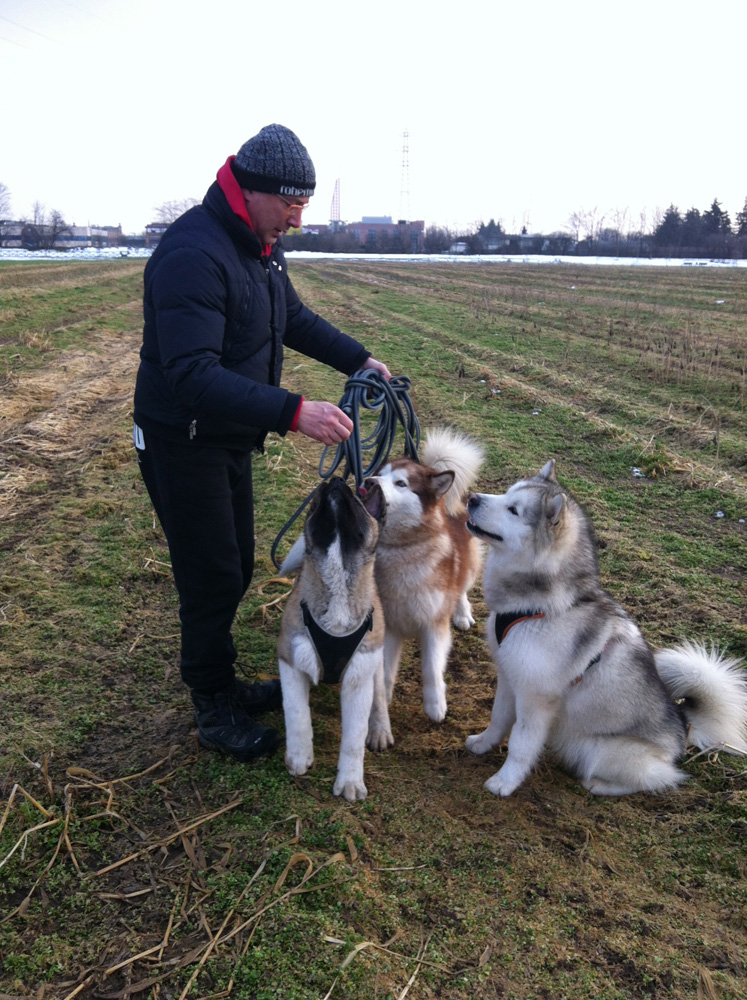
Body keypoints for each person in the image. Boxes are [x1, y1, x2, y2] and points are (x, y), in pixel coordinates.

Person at [133, 124, 390, 763]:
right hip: (181, 438)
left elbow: (289, 317)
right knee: (211, 573)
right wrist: (293, 411)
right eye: (291, 204)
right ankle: (212, 706)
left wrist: (357, 359)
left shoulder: (260, 246)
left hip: (224, 436)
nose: (298, 219)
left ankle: (223, 684)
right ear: (251, 190)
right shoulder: (193, 254)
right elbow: (191, 374)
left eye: (305, 205)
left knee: (236, 563)